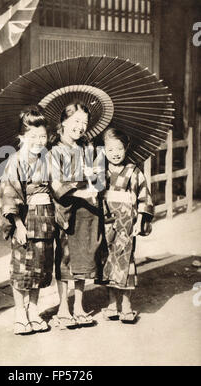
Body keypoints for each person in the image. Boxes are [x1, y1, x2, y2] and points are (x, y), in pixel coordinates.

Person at [0, 109, 55, 335]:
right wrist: (18, 225)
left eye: (42, 137)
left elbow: (57, 187)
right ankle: (20, 313)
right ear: (22, 137)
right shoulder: (15, 161)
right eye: (32, 137)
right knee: (22, 269)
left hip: (45, 219)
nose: (38, 142)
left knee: (39, 268)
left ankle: (33, 310)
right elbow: (9, 195)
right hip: (25, 219)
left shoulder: (48, 158)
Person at [49, 101, 104, 329]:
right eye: (76, 121)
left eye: (84, 123)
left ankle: (79, 305)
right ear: (63, 122)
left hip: (87, 210)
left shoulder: (88, 148)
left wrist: (95, 176)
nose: (80, 127)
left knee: (84, 256)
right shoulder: (53, 151)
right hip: (67, 208)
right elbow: (55, 183)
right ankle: (63, 306)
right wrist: (80, 191)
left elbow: (100, 180)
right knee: (65, 257)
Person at [99, 127, 153, 323]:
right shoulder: (100, 172)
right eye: (111, 149)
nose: (115, 153)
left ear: (126, 148)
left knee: (126, 260)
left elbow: (144, 198)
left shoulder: (133, 171)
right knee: (107, 262)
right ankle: (112, 303)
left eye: (119, 149)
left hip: (127, 223)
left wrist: (140, 221)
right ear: (104, 149)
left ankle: (127, 305)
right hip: (106, 223)